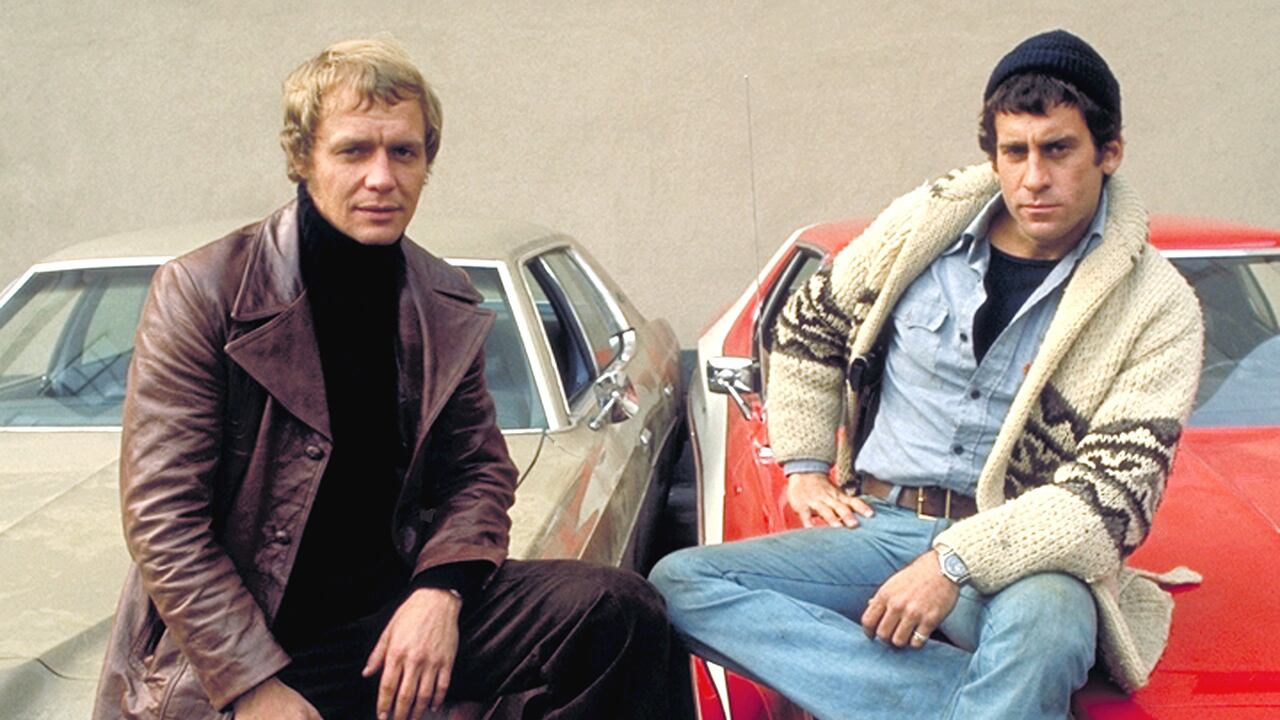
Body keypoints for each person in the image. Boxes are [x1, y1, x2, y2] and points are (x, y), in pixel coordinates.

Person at [93, 37, 669, 720]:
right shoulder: (205, 290)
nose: (381, 177)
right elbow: (164, 520)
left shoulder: (443, 299)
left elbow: (477, 473)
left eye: (403, 152)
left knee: (616, 613)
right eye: (353, 151)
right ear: (303, 157)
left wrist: (440, 591)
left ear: (427, 163)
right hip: (244, 645)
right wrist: (252, 685)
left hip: (390, 621)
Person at [651, 29, 1203, 719]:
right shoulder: (922, 228)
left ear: (1109, 152)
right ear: (994, 156)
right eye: (1015, 152)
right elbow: (810, 324)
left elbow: (1111, 501)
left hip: (1021, 555)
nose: (1034, 177)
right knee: (680, 584)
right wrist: (805, 464)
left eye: (1058, 149)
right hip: (878, 525)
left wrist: (952, 563)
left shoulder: (1158, 305)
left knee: (1052, 633)